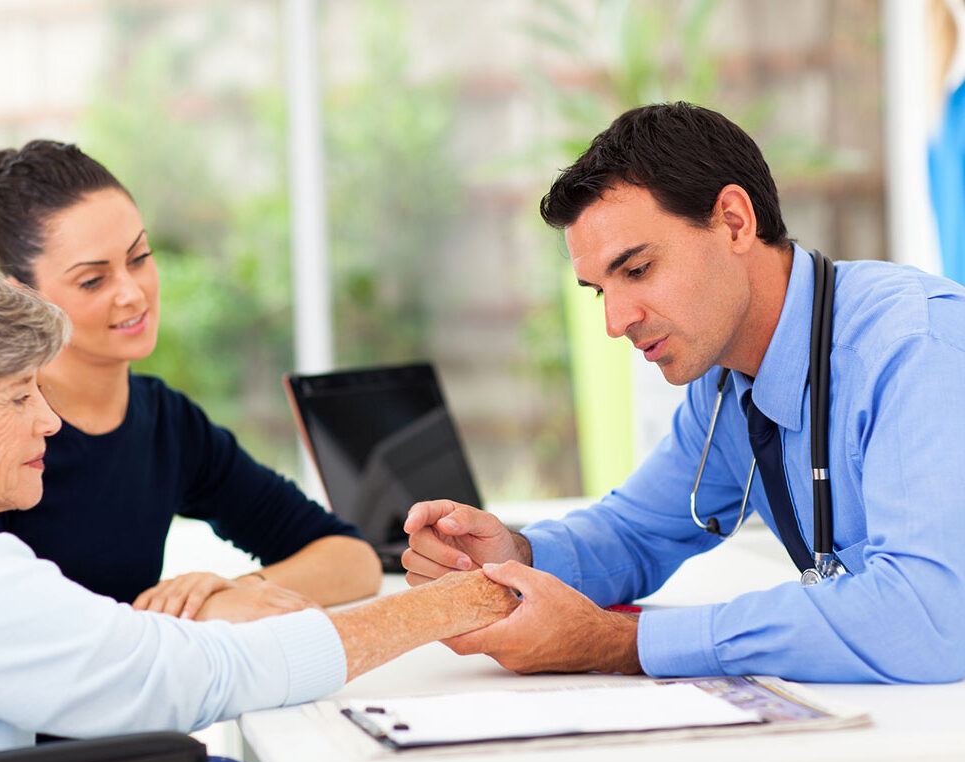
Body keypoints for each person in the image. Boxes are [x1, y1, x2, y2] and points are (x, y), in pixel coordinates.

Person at [0, 263, 517, 762]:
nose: (50, 420)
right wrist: (467, 597)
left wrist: (221, 596)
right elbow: (195, 680)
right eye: (16, 398)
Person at [402, 102, 965, 684]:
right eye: (600, 291)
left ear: (734, 222)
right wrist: (516, 557)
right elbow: (639, 531)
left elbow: (927, 615)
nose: (616, 321)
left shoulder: (916, 347)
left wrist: (622, 644)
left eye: (638, 269)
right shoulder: (725, 382)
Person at [0, 141, 381, 622]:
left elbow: (353, 560)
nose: (133, 294)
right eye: (94, 280)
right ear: (23, 297)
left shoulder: (166, 422)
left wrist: (231, 591)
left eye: (139, 257)